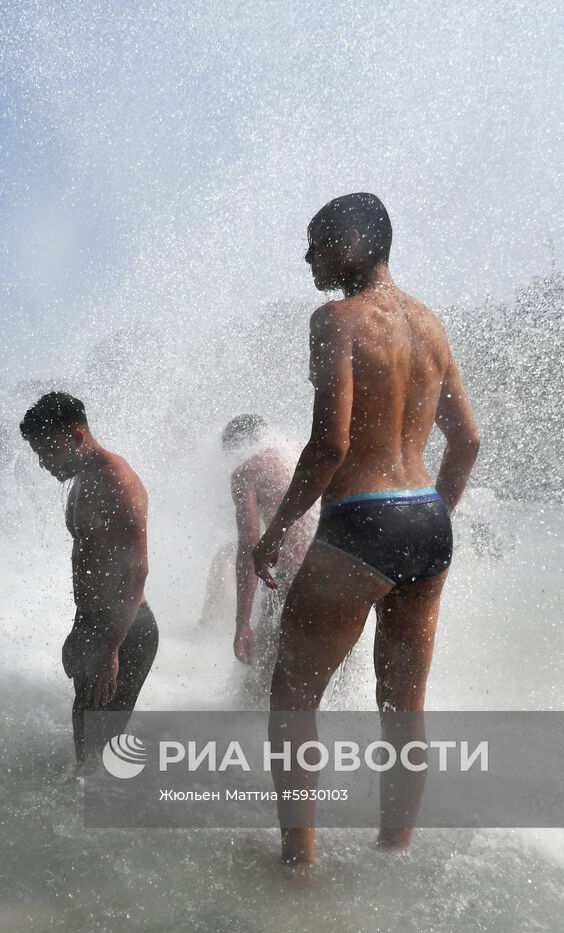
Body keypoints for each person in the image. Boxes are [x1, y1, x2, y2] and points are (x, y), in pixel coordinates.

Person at [252, 193, 479, 865]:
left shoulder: (336, 319)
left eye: (317, 242)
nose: (308, 257)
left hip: (360, 519)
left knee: (293, 699)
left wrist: (275, 531)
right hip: (428, 526)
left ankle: (298, 868)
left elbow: (330, 445)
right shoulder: (430, 325)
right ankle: (394, 854)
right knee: (403, 708)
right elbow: (466, 440)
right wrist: (428, 518)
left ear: (353, 242)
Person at [20, 392, 159, 767]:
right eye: (38, 454)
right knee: (86, 748)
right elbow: (91, 562)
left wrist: (110, 650)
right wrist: (79, 630)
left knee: (98, 756)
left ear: (78, 437)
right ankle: (78, 818)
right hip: (97, 624)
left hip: (125, 630)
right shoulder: (84, 477)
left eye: (48, 451)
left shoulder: (116, 480)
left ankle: (109, 817)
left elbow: (135, 570)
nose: (44, 463)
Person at [223, 414, 323, 703]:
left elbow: (249, 546)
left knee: (262, 683)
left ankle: (257, 745)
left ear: (237, 447)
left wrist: (242, 623)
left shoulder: (247, 471)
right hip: (341, 571)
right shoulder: (301, 451)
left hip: (294, 580)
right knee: (333, 681)